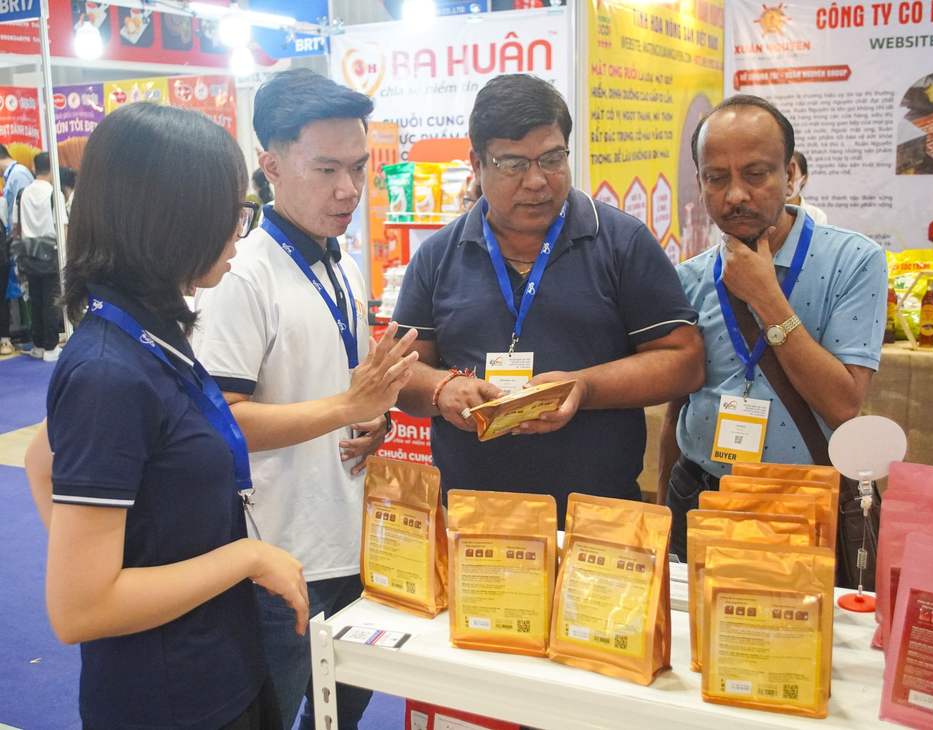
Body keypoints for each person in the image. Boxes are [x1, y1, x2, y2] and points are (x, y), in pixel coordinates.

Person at [27, 102, 309, 729]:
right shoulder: (108, 372)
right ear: (172, 219)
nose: (239, 231)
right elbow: (79, 610)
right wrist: (245, 558)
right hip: (167, 698)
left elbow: (39, 459)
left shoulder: (150, 332)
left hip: (215, 663)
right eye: (230, 212)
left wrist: (126, 552)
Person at [190, 69, 418, 730]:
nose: (349, 189)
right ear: (272, 167)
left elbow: (335, 391)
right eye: (326, 170)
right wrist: (344, 409)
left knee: (339, 715)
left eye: (359, 167)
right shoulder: (244, 275)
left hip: (350, 540)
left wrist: (371, 417)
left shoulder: (341, 264)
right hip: (279, 555)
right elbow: (220, 422)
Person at [392, 73, 704, 522]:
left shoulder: (622, 242)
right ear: (476, 163)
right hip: (474, 521)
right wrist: (442, 390)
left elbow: (684, 361)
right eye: (513, 164)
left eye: (552, 158)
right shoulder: (437, 256)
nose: (537, 181)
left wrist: (583, 387)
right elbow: (402, 375)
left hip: (597, 520)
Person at [658, 95, 887, 569]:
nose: (735, 195)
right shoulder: (689, 278)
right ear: (700, 183)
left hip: (804, 505)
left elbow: (843, 403)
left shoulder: (853, 262)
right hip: (701, 495)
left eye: (756, 174)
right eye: (716, 178)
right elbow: (677, 407)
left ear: (791, 174)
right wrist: (663, 506)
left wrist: (767, 299)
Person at [15, 152, 68, 361]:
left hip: (29, 251)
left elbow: (18, 226)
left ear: (34, 168)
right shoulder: (55, 193)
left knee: (35, 299)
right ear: (53, 168)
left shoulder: (24, 193)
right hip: (51, 251)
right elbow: (62, 227)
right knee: (51, 301)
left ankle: (37, 345)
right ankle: (51, 347)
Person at [0, 144, 33, 356]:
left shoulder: (18, 175)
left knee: (27, 291)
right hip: (17, 244)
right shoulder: (13, 176)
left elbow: (20, 215)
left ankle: (34, 336)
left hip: (24, 245)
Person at [786, 151, 828, 225]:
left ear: (804, 178)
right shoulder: (766, 213)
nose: (786, 179)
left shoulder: (816, 216)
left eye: (790, 173)